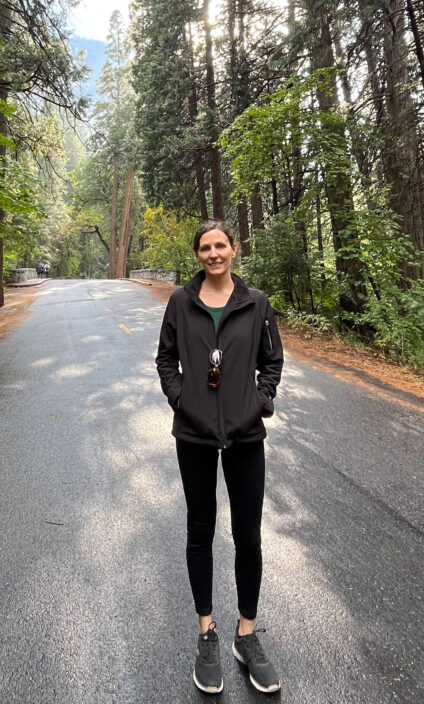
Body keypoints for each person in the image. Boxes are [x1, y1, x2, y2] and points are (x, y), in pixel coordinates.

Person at [155, 220, 283, 695]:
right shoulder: (180, 303)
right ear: (198, 255)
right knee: (200, 531)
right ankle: (206, 631)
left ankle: (245, 634)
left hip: (246, 436)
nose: (214, 254)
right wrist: (182, 399)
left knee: (248, 535)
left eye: (220, 246)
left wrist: (260, 402)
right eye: (205, 247)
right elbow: (166, 360)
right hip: (194, 435)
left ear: (234, 250)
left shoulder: (257, 304)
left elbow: (272, 362)